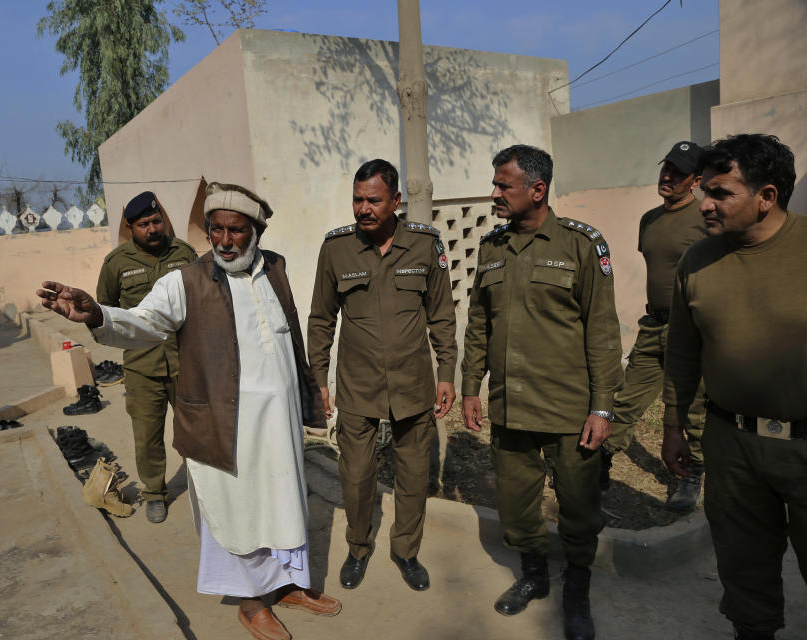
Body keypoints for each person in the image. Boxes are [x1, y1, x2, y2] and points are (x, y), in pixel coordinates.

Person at [37, 182, 341, 640]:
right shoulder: (186, 280)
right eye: (215, 229)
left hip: (276, 423)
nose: (223, 240)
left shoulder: (274, 266)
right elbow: (144, 321)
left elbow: (289, 333)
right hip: (224, 423)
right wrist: (98, 314)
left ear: (256, 231)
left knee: (284, 501)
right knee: (238, 510)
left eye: (235, 230)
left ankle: (289, 584)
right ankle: (251, 602)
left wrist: (310, 387)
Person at [461, 145, 622, 640]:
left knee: (578, 507)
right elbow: (479, 324)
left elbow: (602, 331)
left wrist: (602, 407)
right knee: (515, 503)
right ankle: (534, 575)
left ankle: (576, 586)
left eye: (503, 185)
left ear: (537, 189)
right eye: (496, 184)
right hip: (511, 406)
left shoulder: (581, 245)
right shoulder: (491, 248)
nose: (495, 194)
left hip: (569, 409)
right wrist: (471, 386)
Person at [661, 134, 806, 640]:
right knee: (745, 577)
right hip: (731, 445)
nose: (704, 203)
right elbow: (681, 353)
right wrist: (674, 426)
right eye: (703, 189)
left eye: (720, 193)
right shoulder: (696, 261)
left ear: (766, 196)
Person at [307, 158, 457, 592]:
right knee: (355, 475)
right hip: (358, 385)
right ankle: (358, 548)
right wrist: (319, 378)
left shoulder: (426, 245)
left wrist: (446, 370)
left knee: (413, 473)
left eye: (374, 200)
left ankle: (406, 550)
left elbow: (442, 316)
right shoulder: (336, 249)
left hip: (413, 384)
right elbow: (321, 318)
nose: (363, 208)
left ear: (396, 201)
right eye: (357, 199)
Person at [601, 141, 708, 510]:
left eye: (679, 173)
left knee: (692, 407)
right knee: (627, 398)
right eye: (667, 168)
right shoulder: (650, 219)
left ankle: (690, 475)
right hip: (654, 325)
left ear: (696, 181)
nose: (668, 176)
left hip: (691, 328)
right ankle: (600, 462)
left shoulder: (707, 218)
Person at [96, 191, 197, 523]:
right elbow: (105, 313)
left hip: (187, 363)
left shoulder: (184, 253)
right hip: (142, 367)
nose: (153, 229)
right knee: (147, 435)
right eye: (144, 224)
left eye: (157, 221)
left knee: (196, 429)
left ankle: (204, 487)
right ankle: (155, 493)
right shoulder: (116, 264)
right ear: (130, 227)